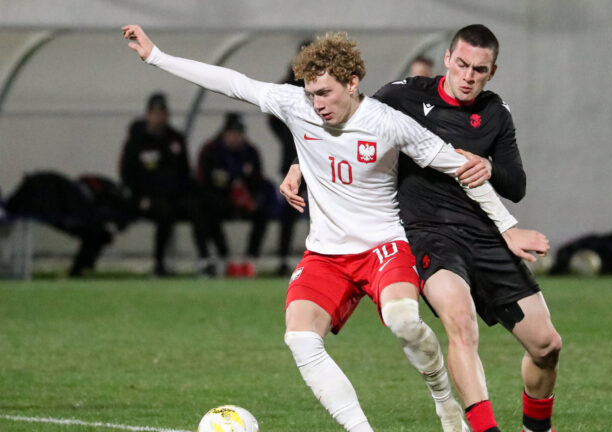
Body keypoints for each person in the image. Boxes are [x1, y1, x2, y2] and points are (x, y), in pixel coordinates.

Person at [122, 25, 547, 432]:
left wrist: (508, 227)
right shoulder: (297, 105)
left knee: (403, 320)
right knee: (300, 339)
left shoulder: (388, 122)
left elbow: (460, 167)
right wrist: (156, 57)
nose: (318, 103)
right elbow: (231, 81)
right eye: (311, 92)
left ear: (352, 83)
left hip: (385, 246)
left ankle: (442, 398)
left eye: (325, 92)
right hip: (326, 253)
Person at [285, 24, 561, 432]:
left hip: (484, 235)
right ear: (448, 59)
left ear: (492, 73)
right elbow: (347, 124)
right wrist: (300, 166)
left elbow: (516, 185)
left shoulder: (495, 113)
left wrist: (490, 168)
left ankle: (536, 428)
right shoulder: (403, 95)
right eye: (462, 64)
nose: (468, 76)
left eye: (479, 70)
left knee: (547, 346)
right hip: (428, 235)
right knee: (461, 323)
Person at [119, 92, 196, 276]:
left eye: (162, 113)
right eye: (155, 113)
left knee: (198, 207)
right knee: (164, 212)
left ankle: (208, 261)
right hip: (145, 199)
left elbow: (185, 171)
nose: (159, 117)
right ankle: (159, 264)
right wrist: (141, 197)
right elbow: (126, 173)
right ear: (148, 114)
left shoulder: (175, 138)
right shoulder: (136, 141)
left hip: (173, 197)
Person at [5, 171, 133, 277]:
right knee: (97, 234)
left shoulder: (99, 190)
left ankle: (81, 270)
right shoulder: (110, 195)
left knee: (96, 234)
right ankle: (81, 271)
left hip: (58, 206)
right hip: (62, 208)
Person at [194, 112, 271, 278]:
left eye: (239, 133)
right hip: (219, 202)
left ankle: (251, 259)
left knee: (263, 211)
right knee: (201, 209)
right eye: (232, 133)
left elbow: (258, 182)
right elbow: (202, 183)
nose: (235, 137)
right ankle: (220, 258)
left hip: (243, 203)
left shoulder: (251, 152)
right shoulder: (210, 151)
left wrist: (251, 199)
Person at [266, 39, 312, 276]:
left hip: (315, 161)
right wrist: (288, 137)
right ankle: (283, 258)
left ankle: (319, 260)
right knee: (288, 212)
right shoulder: (286, 86)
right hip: (290, 160)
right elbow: (272, 119)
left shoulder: (319, 87)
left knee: (317, 213)